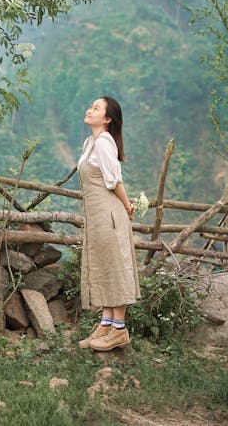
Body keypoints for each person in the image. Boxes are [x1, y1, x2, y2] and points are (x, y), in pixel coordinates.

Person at [77, 96, 141, 351]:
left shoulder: (104, 142)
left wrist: (127, 206)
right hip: (97, 215)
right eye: (90, 105)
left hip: (108, 213)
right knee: (103, 264)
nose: (89, 109)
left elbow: (114, 180)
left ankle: (119, 329)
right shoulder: (90, 142)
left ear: (107, 119)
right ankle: (106, 323)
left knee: (114, 265)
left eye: (96, 108)